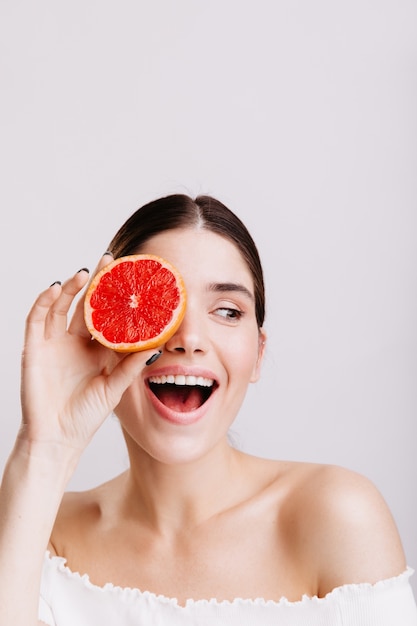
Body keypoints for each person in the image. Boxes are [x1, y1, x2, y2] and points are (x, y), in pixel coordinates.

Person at [0, 193, 416, 626]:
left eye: (227, 310)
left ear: (257, 354)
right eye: (159, 306)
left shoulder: (336, 516)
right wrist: (45, 447)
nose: (189, 338)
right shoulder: (39, 531)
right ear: (106, 340)